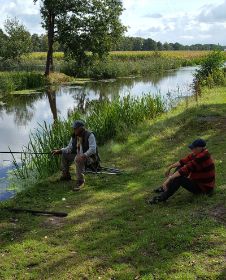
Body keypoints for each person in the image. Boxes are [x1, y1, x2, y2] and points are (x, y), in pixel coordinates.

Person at [148, 139, 215, 204]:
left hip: (204, 188)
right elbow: (183, 161)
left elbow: (185, 169)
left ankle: (161, 198)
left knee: (179, 178)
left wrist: (168, 180)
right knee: (180, 168)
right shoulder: (199, 153)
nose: (191, 150)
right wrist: (170, 167)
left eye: (193, 148)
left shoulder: (202, 157)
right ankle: (165, 188)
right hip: (198, 183)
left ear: (199, 148)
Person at [52, 120, 100, 191]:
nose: (74, 130)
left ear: (81, 128)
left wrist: (84, 155)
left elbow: (93, 149)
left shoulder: (90, 135)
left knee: (78, 158)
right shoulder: (74, 136)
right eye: (74, 128)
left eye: (75, 128)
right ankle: (66, 176)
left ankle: (80, 181)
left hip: (91, 158)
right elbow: (69, 148)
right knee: (64, 154)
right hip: (78, 156)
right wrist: (60, 151)